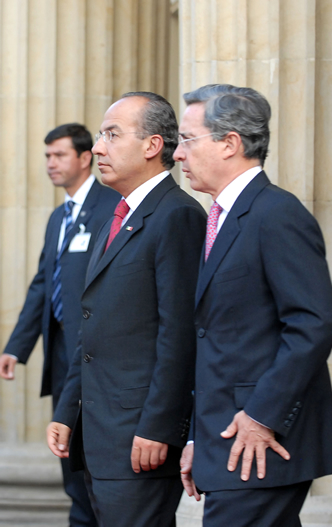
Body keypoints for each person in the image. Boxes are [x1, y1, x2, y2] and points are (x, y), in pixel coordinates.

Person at [174, 84, 332, 527]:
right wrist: (197, 439)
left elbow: (314, 322)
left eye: (187, 140)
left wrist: (262, 418)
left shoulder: (276, 213)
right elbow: (216, 340)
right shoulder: (221, 217)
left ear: (229, 143)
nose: (177, 154)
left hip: (259, 443)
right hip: (227, 441)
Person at [46, 92, 207, 527]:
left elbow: (179, 334)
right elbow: (90, 325)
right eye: (100, 135)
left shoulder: (177, 215)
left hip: (140, 437)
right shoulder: (113, 217)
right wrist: (67, 410)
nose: (98, 147)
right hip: (99, 435)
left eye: (111, 135)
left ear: (153, 146)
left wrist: (159, 426)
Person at [0, 123, 119, 527]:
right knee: (70, 468)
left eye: (59, 155)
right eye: (48, 156)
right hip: (62, 358)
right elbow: (41, 285)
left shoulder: (111, 207)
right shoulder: (58, 218)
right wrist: (17, 346)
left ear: (85, 158)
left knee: (95, 472)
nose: (51, 164)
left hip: (97, 359)